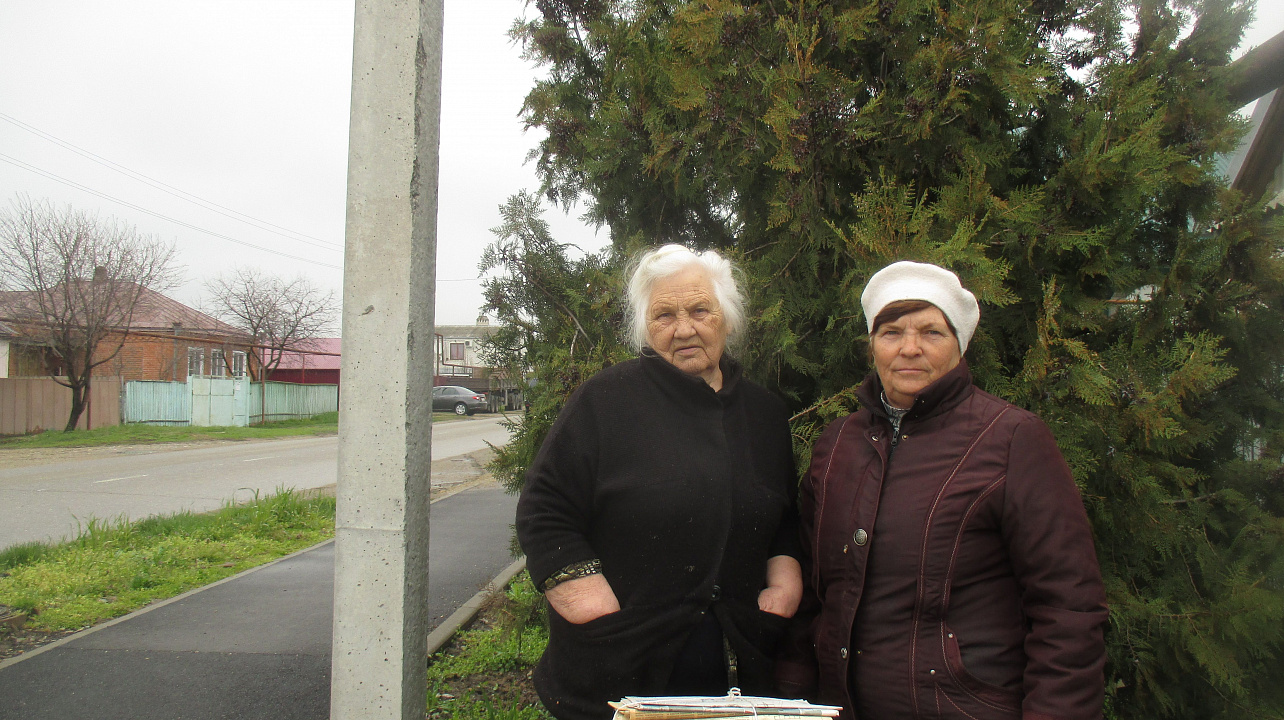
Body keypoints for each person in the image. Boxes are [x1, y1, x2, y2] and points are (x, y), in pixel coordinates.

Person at [777, 261, 1108, 720]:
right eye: (891, 332)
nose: (909, 348)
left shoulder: (1012, 439)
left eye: (931, 332)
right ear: (872, 344)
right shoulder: (836, 446)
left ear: (959, 344)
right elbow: (815, 593)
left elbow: (1068, 607)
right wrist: (792, 693)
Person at [517, 244, 804, 720]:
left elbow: (783, 517)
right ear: (646, 329)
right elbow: (545, 510)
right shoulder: (605, 401)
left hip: (737, 678)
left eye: (699, 310)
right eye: (664, 315)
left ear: (726, 318)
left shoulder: (764, 414)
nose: (684, 328)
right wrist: (588, 602)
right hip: (618, 670)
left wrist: (785, 580)